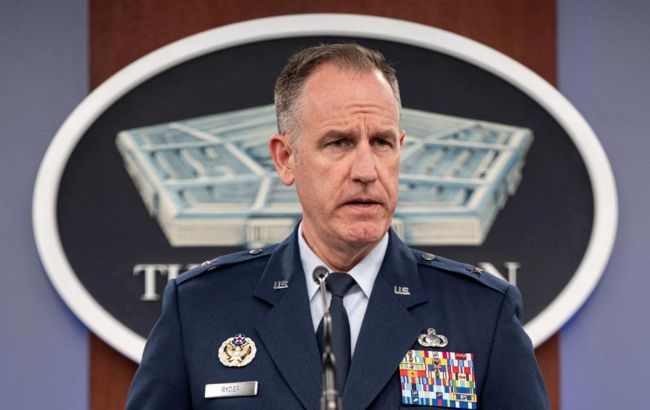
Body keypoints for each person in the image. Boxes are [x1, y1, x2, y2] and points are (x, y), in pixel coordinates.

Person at [126, 43, 550, 410]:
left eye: (381, 142)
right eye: (339, 143)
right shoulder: (200, 308)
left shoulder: (481, 313)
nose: (366, 170)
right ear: (286, 159)